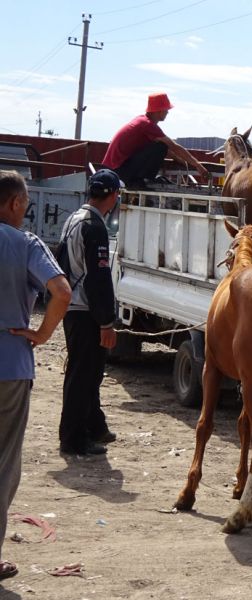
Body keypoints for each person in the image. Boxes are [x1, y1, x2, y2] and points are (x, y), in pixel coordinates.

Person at [0, 171, 72, 581]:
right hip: (9, 365)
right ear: (13, 204)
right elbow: (61, 291)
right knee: (3, 463)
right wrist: (42, 334)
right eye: (25, 204)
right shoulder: (25, 243)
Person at [58, 170, 122, 456]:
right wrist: (106, 321)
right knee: (83, 376)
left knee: (86, 373)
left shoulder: (73, 219)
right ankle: (74, 439)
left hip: (73, 307)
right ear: (112, 196)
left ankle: (94, 427)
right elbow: (99, 278)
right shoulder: (94, 227)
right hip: (86, 312)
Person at [101, 92, 209, 189]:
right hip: (119, 171)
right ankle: (142, 180)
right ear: (159, 110)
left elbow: (165, 149)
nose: (167, 112)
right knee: (161, 146)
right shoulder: (148, 125)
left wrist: (180, 160)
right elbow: (173, 146)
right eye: (166, 109)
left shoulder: (142, 120)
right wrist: (198, 165)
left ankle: (140, 179)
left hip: (114, 169)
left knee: (161, 146)